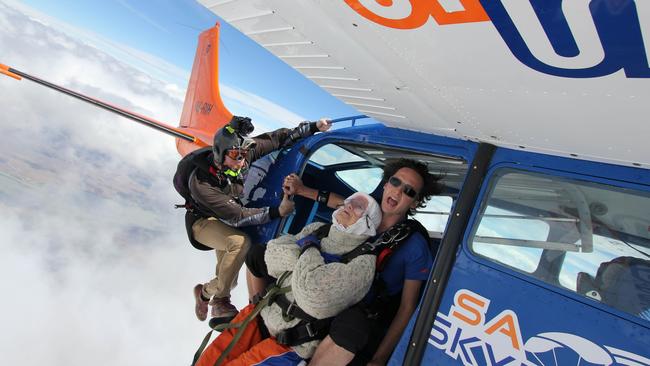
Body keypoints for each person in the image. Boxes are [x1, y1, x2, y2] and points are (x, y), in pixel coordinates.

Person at [281, 158, 442, 365]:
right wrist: (301, 190)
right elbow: (338, 202)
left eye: (409, 191)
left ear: (415, 202)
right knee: (258, 255)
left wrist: (379, 359)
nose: (398, 191)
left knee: (353, 326)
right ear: (386, 184)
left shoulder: (414, 245)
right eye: (395, 182)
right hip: (330, 287)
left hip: (359, 312)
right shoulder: (365, 212)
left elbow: (407, 307)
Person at [194, 192, 383, 366]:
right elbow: (272, 254)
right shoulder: (319, 229)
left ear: (368, 223)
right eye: (350, 201)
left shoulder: (363, 262)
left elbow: (313, 294)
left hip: (293, 341)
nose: (349, 205)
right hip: (260, 315)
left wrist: (308, 247)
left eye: (358, 206)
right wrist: (310, 262)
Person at [186, 115, 331, 324]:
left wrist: (314, 127)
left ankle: (207, 295)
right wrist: (277, 212)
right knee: (240, 243)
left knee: (230, 280)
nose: (242, 160)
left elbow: (278, 138)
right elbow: (236, 216)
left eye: (244, 154)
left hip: (224, 218)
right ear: (220, 153)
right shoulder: (201, 184)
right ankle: (217, 300)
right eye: (235, 155)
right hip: (203, 220)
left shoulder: (242, 158)